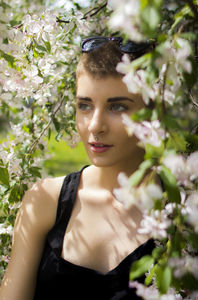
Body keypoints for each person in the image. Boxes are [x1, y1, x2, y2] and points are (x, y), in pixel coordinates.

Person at [0, 37, 156, 300]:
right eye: (84, 105)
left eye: (117, 106)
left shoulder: (185, 209)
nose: (95, 125)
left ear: (154, 111)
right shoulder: (44, 201)